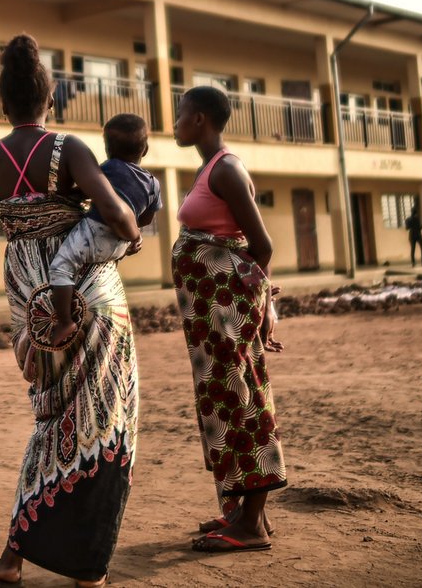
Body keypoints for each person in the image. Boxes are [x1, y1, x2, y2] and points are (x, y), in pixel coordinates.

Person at [0, 35, 142, 588]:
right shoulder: (67, 147)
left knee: (49, 413)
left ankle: (13, 558)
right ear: (50, 102)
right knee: (107, 417)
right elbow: (114, 210)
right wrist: (132, 231)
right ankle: (86, 566)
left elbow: (12, 218)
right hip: (84, 291)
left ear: (4, 104)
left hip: (30, 299)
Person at [171, 85, 287, 554]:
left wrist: (262, 306)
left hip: (227, 314)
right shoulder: (208, 168)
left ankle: (253, 524)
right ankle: (239, 509)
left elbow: (262, 246)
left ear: (199, 118)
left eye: (180, 114)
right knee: (223, 399)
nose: (175, 122)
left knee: (243, 397)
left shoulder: (228, 170)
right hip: (211, 318)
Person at [47, 114, 161, 322]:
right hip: (120, 246)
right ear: (145, 149)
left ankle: (64, 321)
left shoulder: (108, 168)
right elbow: (145, 220)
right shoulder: (154, 184)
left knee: (61, 267)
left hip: (93, 233)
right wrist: (134, 233)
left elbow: (83, 191)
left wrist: (64, 193)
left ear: (108, 149)